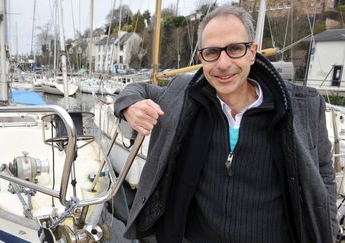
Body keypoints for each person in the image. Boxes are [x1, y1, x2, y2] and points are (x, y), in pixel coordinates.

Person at [114, 5, 337, 243]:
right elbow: (137, 89)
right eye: (212, 52)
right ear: (201, 58)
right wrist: (130, 106)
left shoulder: (303, 107)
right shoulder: (185, 96)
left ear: (252, 53)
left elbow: (324, 175)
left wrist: (329, 231)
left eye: (234, 49)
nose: (222, 63)